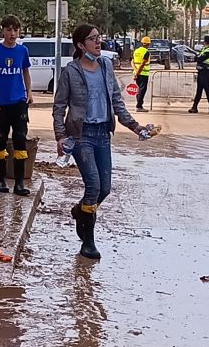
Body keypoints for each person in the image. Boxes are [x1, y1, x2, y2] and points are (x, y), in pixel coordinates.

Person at [54, 23, 156, 260]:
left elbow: (116, 101)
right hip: (81, 136)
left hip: (102, 134)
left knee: (105, 188)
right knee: (93, 186)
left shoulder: (106, 66)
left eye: (99, 38)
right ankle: (87, 242)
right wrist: (60, 136)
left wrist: (135, 126)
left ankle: (81, 210)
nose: (98, 42)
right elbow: (59, 107)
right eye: (93, 39)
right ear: (81, 45)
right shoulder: (71, 71)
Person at [0, 15, 34, 196]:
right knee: (0, 141)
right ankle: (1, 179)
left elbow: (25, 72)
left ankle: (19, 183)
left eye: (16, 30)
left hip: (18, 102)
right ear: (2, 31)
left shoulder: (22, 51)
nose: (13, 33)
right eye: (9, 29)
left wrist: (29, 92)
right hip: (0, 104)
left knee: (20, 140)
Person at [189, 35, 209, 113]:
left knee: (207, 89)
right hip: (201, 71)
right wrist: (197, 58)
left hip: (205, 71)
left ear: (205, 42)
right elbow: (198, 58)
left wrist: (197, 58)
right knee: (199, 90)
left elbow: (200, 58)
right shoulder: (205, 49)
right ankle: (194, 107)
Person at [132, 37, 154, 111]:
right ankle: (139, 106)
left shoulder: (136, 51)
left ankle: (139, 105)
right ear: (149, 44)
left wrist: (135, 71)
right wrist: (137, 73)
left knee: (139, 90)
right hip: (143, 74)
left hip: (137, 72)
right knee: (142, 90)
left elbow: (132, 62)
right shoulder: (146, 52)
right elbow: (142, 64)